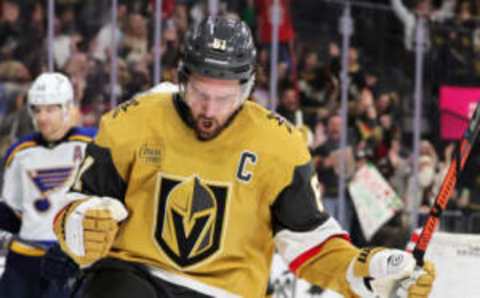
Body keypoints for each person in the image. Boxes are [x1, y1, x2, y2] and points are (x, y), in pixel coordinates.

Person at [53, 17, 435, 298]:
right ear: (182, 78)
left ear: (249, 87)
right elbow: (74, 205)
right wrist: (81, 221)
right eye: (201, 93)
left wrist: (367, 270)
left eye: (226, 98)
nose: (210, 110)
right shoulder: (133, 120)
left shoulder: (280, 145)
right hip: (135, 276)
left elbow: (310, 244)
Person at [0, 72, 96, 298]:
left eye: (50, 109)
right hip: (23, 258)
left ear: (67, 108)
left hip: (69, 260)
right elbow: (13, 209)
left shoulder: (92, 144)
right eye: (37, 109)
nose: (42, 117)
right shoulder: (20, 152)